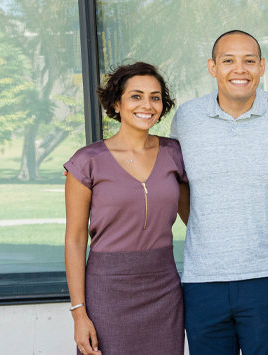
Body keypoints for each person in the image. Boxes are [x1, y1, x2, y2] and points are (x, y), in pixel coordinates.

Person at [169, 30, 268, 355]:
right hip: (203, 279)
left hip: (267, 277)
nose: (240, 69)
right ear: (212, 67)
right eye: (228, 61)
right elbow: (178, 180)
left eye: (249, 61)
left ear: (262, 66)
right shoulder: (187, 118)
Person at [64, 62, 187, 355]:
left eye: (155, 97)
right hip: (107, 290)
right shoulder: (87, 162)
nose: (147, 104)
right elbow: (75, 239)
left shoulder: (175, 153)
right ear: (117, 103)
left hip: (164, 289)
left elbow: (197, 217)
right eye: (136, 96)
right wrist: (79, 313)